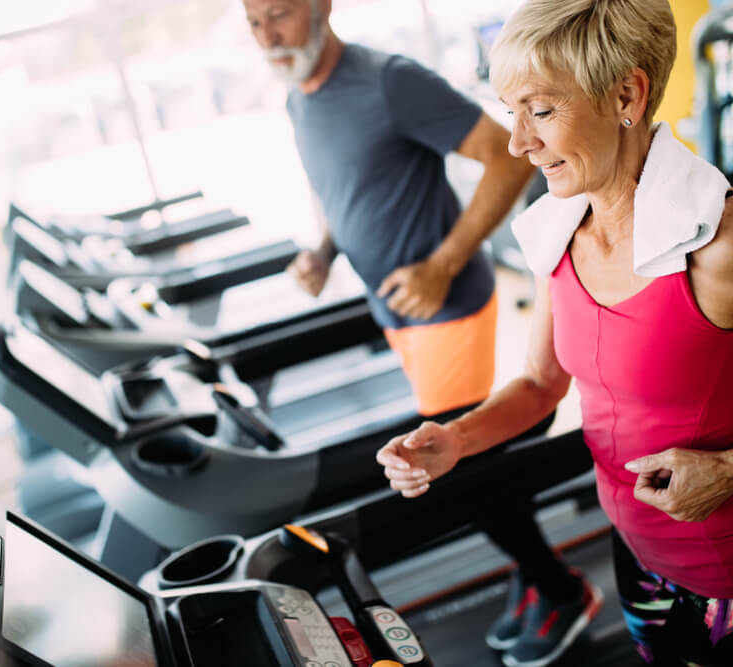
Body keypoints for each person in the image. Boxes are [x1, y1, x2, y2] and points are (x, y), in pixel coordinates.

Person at [377, 0, 733, 665]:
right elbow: (540, 384)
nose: (517, 143)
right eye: (512, 111)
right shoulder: (558, 226)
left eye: (540, 110)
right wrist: (455, 439)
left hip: (732, 574)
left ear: (626, 92)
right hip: (634, 553)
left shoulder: (728, 243)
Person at [242, 1, 602, 664]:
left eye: (281, 14)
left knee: (455, 462)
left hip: (446, 307)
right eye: (253, 20)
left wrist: (443, 263)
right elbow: (337, 188)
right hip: (395, 314)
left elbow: (508, 158)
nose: (267, 34)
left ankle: (562, 588)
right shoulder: (299, 99)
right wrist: (322, 250)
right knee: (476, 450)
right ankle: (536, 566)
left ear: (321, 6)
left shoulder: (389, 80)